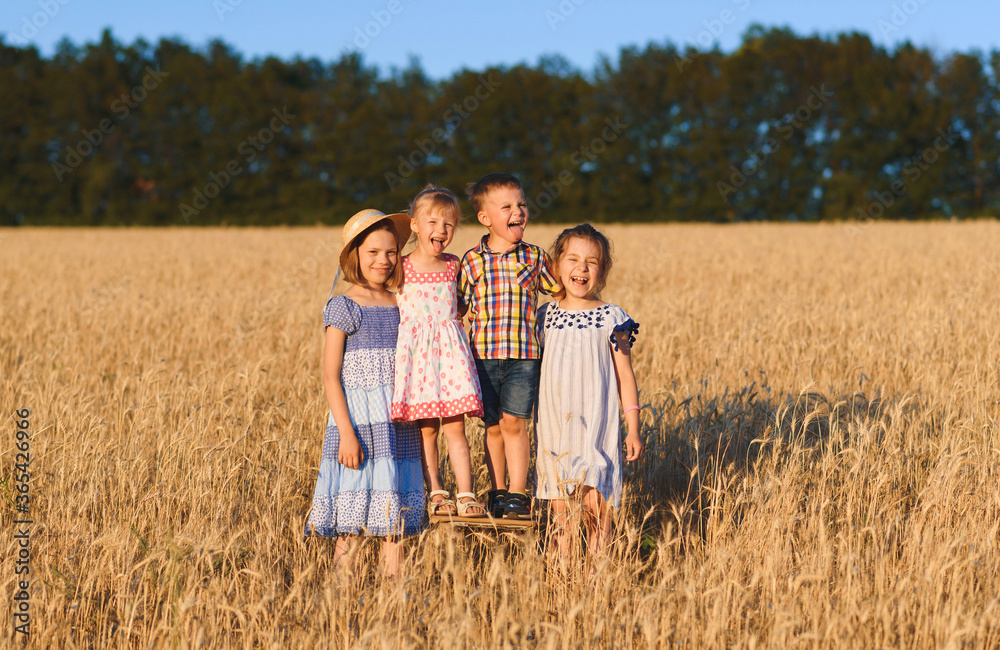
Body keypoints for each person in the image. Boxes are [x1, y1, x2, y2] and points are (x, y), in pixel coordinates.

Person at [304, 209, 425, 577]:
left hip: (399, 422)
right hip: (358, 424)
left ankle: (395, 605)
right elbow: (330, 376)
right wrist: (346, 434)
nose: (383, 260)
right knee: (352, 524)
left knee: (395, 524)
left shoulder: (402, 302)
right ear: (355, 254)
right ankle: (339, 603)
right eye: (373, 252)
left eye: (391, 252)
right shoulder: (345, 306)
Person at [534, 223, 644, 560]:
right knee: (561, 520)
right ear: (555, 266)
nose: (581, 268)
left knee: (598, 514)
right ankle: (562, 586)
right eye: (572, 259)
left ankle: (597, 590)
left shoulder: (612, 318)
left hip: (599, 431)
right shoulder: (542, 317)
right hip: (555, 434)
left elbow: (625, 375)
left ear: (603, 270)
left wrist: (634, 428)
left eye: (592, 262)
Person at [458, 173, 560, 519]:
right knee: (493, 426)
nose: (518, 211)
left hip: (523, 356)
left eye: (522, 204)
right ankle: (497, 490)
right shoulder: (471, 261)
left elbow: (560, 292)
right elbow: (458, 308)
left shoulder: (533, 257)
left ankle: (518, 493)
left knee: (515, 423)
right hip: (483, 357)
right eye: (507, 207)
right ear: (485, 218)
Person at [392, 185, 487, 518]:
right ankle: (435, 491)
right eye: (432, 222)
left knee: (455, 429)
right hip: (418, 361)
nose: (441, 230)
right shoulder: (400, 267)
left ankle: (466, 493)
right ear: (414, 225)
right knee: (427, 430)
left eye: (448, 224)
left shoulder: (453, 265)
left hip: (449, 358)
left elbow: (459, 305)